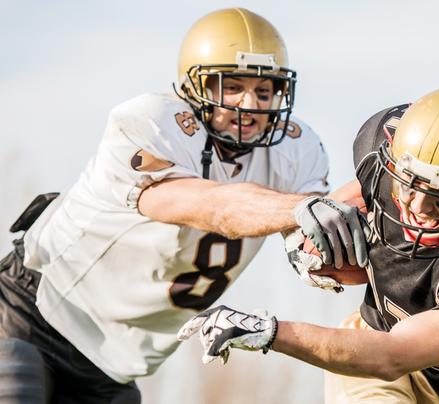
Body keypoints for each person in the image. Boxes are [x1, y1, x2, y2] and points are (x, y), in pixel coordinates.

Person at [0, 8, 367, 403]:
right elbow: (211, 208)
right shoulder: (152, 122)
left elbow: (313, 238)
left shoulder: (297, 150)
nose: (251, 104)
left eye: (264, 91)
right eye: (233, 87)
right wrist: (304, 209)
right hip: (34, 312)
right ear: (197, 86)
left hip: (115, 365)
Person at [177, 86, 439, 404]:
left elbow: (391, 356)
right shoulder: (387, 140)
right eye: (407, 186)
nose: (416, 208)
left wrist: (269, 331)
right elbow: (368, 186)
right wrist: (318, 224)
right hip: (372, 335)